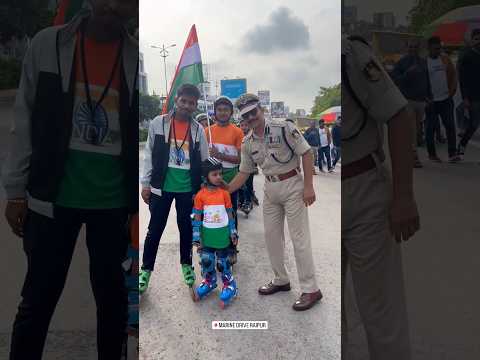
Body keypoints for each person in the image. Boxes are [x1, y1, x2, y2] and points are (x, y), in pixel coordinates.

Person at [1, 1, 139, 358]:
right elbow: (24, 118)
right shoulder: (48, 45)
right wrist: (15, 191)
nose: (115, 6)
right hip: (52, 199)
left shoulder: (135, 57)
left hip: (112, 205)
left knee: (112, 304)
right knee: (37, 302)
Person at [342, 35, 420, 360]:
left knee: (381, 311)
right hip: (328, 194)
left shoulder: (348, 54)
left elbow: (400, 116)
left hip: (364, 191)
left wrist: (404, 197)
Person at [227, 93, 322, 311]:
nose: (251, 118)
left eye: (254, 112)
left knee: (299, 239)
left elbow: (306, 154)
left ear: (261, 109)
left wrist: (309, 186)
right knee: (271, 238)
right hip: (270, 189)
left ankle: (311, 289)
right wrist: (225, 190)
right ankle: (281, 279)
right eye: (246, 116)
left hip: (292, 186)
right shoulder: (247, 142)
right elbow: (244, 172)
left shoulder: (283, 127)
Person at [139, 83, 209, 293]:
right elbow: (149, 155)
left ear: (196, 106)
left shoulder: (198, 130)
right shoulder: (158, 123)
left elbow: (204, 160)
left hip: (188, 190)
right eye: (183, 101)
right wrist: (145, 184)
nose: (187, 106)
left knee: (186, 229)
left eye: (191, 103)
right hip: (161, 188)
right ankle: (145, 271)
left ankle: (186, 265)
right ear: (176, 100)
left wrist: (206, 188)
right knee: (154, 230)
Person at [192, 158, 239, 306]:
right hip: (207, 237)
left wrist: (233, 230)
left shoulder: (224, 194)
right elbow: (197, 216)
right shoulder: (200, 196)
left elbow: (230, 213)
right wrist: (196, 234)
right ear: (206, 176)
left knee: (223, 262)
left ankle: (229, 284)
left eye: (220, 174)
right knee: (207, 260)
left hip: (222, 236)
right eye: (215, 174)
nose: (219, 177)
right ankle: (209, 281)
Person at [205, 96, 244, 260]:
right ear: (215, 112)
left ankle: (232, 248)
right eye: (219, 109)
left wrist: (219, 155)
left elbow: (240, 160)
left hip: (230, 179)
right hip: (210, 180)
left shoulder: (237, 131)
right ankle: (212, 246)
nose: (222, 113)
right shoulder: (207, 131)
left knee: (230, 213)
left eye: (225, 110)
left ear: (231, 113)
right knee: (212, 213)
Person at [391, 39, 430, 168]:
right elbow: (395, 80)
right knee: (412, 129)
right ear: (406, 48)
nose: (413, 49)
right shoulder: (401, 63)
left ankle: (409, 152)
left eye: (415, 47)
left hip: (421, 100)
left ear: (418, 48)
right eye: (410, 47)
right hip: (408, 100)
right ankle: (414, 157)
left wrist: (429, 95)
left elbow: (427, 79)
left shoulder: (423, 62)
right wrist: (408, 73)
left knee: (418, 129)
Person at [425, 36, 461, 163]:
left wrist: (452, 92)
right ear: (429, 48)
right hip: (431, 102)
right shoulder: (424, 62)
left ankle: (452, 154)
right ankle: (432, 154)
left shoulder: (445, 59)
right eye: (435, 49)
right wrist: (425, 97)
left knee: (450, 126)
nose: (438, 51)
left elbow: (453, 75)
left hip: (446, 100)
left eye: (439, 48)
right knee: (431, 128)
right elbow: (420, 81)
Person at [457, 28, 480, 156]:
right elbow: (463, 79)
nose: (479, 41)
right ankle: (462, 144)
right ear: (471, 40)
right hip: (474, 97)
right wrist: (465, 97)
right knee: (474, 123)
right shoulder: (467, 56)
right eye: (476, 39)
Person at [237, 117, 256, 211]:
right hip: (239, 165)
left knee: (248, 184)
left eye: (246, 125)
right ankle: (240, 201)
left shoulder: (252, 136)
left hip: (249, 165)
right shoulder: (238, 135)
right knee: (240, 185)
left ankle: (248, 201)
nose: (244, 127)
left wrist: (255, 166)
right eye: (242, 125)